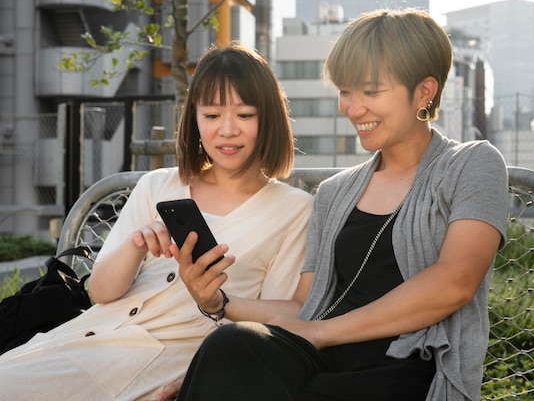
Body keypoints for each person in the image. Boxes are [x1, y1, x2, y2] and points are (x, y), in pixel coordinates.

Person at [164, 8, 510, 401]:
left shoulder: (472, 164)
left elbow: (455, 283)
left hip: (406, 366)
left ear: (424, 91)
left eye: (371, 91)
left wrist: (322, 332)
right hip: (320, 356)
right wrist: (220, 305)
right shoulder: (334, 192)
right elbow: (306, 306)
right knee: (229, 345)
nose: (352, 108)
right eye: (346, 92)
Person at [0, 43, 313, 400]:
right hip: (89, 336)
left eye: (244, 115)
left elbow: (279, 320)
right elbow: (100, 292)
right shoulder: (159, 185)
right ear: (194, 119)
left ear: (269, 117)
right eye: (211, 116)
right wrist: (136, 244)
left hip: (167, 360)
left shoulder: (294, 211)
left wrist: (217, 299)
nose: (227, 130)